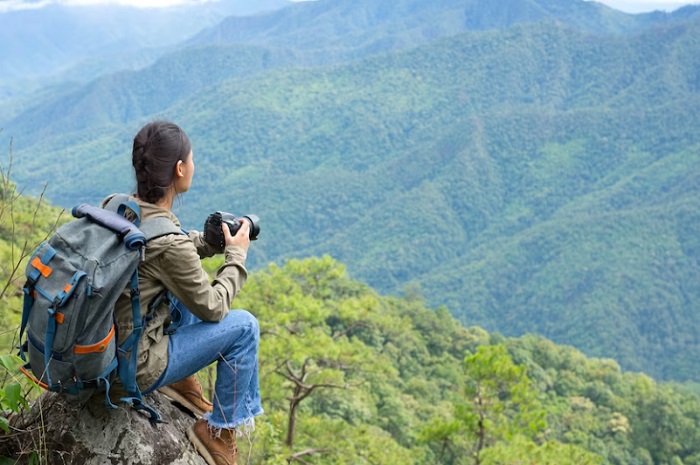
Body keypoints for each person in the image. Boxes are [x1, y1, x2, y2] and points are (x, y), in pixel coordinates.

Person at [104, 120, 262, 465]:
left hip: (107, 351)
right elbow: (214, 309)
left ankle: (180, 381)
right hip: (134, 367)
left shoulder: (117, 207)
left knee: (181, 282)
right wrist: (237, 256)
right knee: (245, 327)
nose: (193, 165)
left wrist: (204, 245)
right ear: (179, 169)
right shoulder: (169, 244)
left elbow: (158, 253)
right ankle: (218, 432)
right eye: (191, 160)